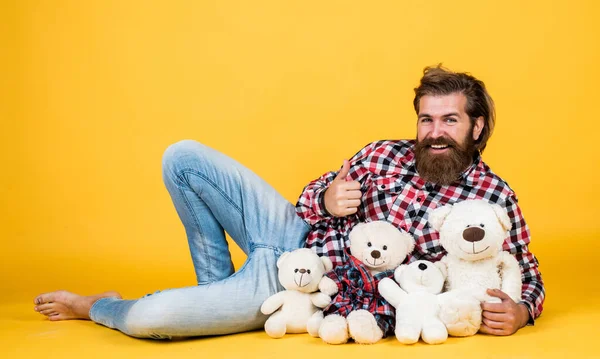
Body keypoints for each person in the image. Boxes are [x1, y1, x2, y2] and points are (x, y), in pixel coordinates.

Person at [33, 65, 544, 338]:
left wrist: (522, 312)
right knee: (182, 157)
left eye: (449, 121)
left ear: (475, 127)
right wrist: (326, 198)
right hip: (293, 238)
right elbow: (305, 201)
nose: (434, 133)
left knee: (149, 321)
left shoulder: (493, 197)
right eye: (426, 120)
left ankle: (100, 307)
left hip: (307, 290)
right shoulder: (382, 154)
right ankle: (215, 290)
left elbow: (528, 273)